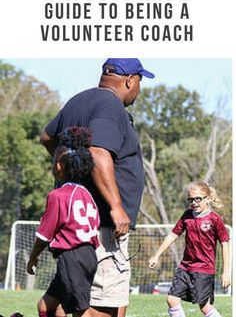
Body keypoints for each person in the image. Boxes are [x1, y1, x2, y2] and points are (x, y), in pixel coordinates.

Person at [40, 58, 155, 317]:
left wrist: (67, 172)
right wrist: (116, 207)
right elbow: (99, 153)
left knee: (57, 302)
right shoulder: (111, 105)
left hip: (75, 226)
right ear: (130, 80)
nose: (138, 90)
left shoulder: (79, 100)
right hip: (102, 225)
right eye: (140, 82)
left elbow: (48, 137)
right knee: (104, 309)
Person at [27, 127, 100, 317]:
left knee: (80, 311)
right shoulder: (87, 195)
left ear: (59, 166)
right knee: (45, 306)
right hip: (89, 255)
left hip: (72, 258)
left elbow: (44, 235)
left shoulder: (58, 195)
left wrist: (33, 256)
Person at [148, 181, 230, 317]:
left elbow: (225, 243)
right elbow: (172, 235)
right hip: (185, 267)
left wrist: (226, 272)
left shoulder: (214, 219)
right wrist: (156, 255)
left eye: (198, 199)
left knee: (204, 306)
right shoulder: (187, 216)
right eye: (190, 199)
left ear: (208, 198)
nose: (194, 202)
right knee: (172, 299)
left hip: (204, 269)